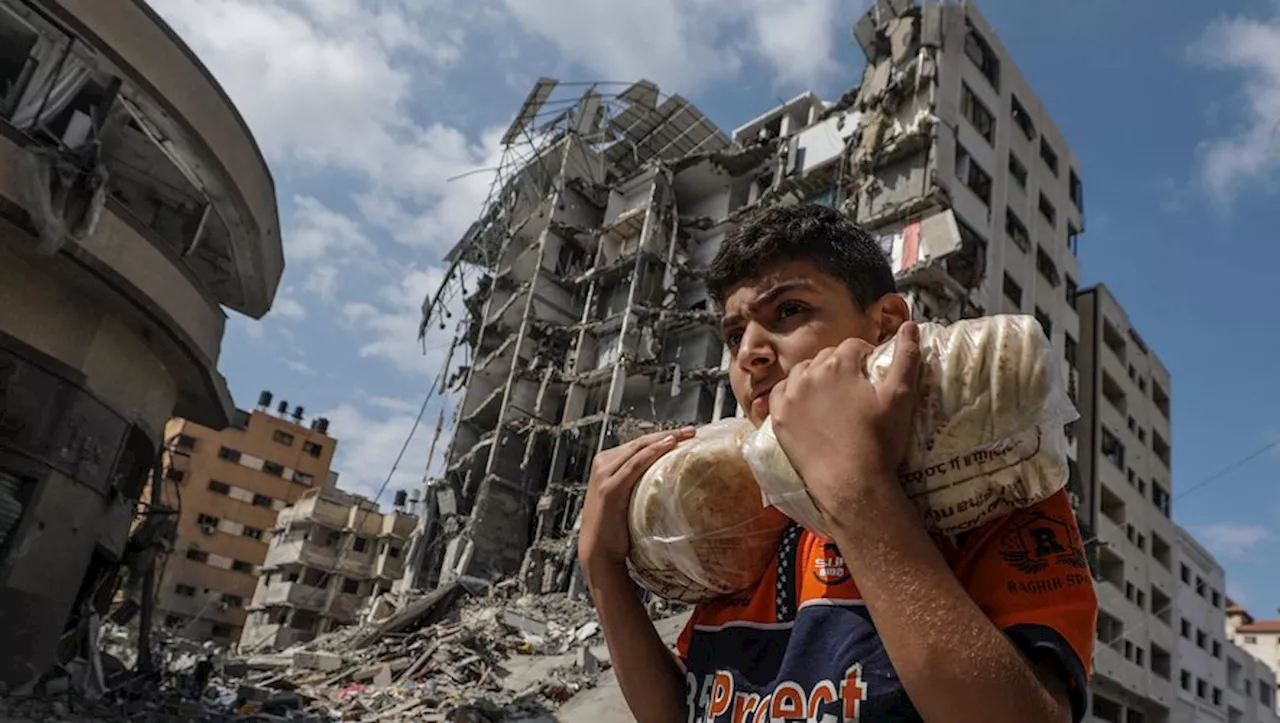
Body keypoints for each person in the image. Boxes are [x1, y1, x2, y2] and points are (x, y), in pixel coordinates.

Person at [577, 204, 1098, 723]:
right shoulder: (736, 514)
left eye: (789, 311)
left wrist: (857, 490)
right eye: (734, 335)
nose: (750, 353)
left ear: (886, 324)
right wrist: (604, 571)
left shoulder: (988, 482)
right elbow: (684, 712)